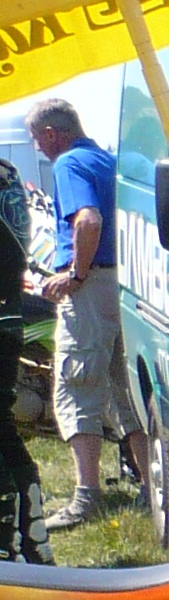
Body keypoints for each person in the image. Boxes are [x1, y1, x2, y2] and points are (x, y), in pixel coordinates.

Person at [24, 100, 148, 534]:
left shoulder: (69, 163)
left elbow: (88, 221)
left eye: (38, 139)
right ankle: (152, 488)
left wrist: (75, 275)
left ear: (52, 134)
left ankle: (86, 497)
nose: (38, 149)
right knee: (125, 391)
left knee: (76, 386)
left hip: (91, 286)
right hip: (124, 284)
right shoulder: (108, 161)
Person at [0, 161, 42, 560]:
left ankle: (7, 545)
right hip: (9, 314)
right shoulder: (9, 176)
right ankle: (34, 540)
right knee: (3, 428)